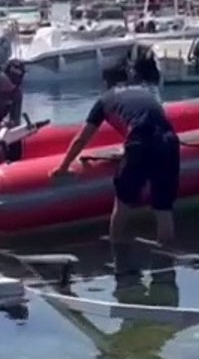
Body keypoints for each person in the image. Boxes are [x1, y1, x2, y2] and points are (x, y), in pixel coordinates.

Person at [50, 59, 180, 243]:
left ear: (105, 83)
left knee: (122, 205)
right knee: (163, 209)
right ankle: (167, 266)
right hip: (169, 142)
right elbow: (151, 122)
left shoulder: (104, 101)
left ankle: (119, 257)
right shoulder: (144, 92)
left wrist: (63, 167)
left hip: (140, 143)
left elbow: (82, 138)